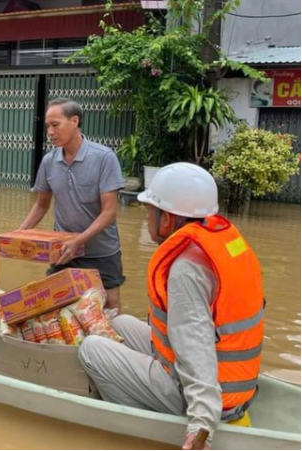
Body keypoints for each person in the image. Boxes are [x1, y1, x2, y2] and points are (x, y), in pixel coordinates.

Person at [78, 163, 265, 450]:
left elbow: (195, 346)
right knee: (118, 323)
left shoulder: (185, 269)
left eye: (150, 210)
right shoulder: (222, 244)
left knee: (91, 348)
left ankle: (142, 421)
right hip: (232, 380)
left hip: (206, 395)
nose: (147, 217)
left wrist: (201, 424)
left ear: (167, 219)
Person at [20, 98, 125, 310]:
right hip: (63, 251)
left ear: (74, 121)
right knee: (59, 306)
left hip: (101, 251)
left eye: (55, 125)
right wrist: (19, 233)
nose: (50, 132)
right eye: (47, 126)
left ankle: (107, 344)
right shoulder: (49, 161)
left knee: (110, 305)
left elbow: (109, 212)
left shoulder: (104, 158)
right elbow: (42, 205)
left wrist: (79, 240)